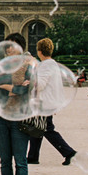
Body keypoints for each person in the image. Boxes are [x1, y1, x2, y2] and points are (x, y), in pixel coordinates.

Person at [0, 34, 34, 175]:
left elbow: (28, 89)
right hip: (2, 117)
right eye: (7, 46)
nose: (9, 49)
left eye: (13, 46)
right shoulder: (2, 65)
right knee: (4, 160)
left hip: (20, 117)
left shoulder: (28, 63)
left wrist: (8, 88)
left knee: (20, 161)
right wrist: (15, 89)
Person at [26, 38, 76, 166]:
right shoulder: (52, 64)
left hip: (44, 102)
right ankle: (32, 156)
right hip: (48, 101)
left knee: (46, 129)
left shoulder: (45, 65)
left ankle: (69, 152)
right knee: (37, 128)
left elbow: (40, 84)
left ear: (39, 51)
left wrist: (30, 81)